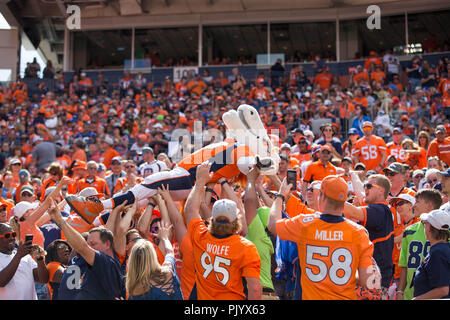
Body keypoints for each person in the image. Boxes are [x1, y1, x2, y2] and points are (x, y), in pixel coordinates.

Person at [268, 175, 381, 300]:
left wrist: (280, 196)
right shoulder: (359, 233)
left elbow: (272, 224)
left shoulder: (305, 224)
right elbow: (368, 282)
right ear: (344, 202)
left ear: (322, 197)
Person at [183, 162, 262, 300]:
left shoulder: (201, 236)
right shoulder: (245, 247)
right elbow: (255, 289)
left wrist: (200, 182)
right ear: (235, 221)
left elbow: (190, 210)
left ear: (212, 219)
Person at [47, 199, 125, 300]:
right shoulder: (76, 258)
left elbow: (109, 234)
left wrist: (60, 221)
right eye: (87, 243)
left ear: (107, 244)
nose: (89, 247)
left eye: (92, 244)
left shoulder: (106, 262)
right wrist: (115, 211)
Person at [343, 173, 394, 298]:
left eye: (369, 186)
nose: (365, 188)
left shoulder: (380, 209)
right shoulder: (378, 209)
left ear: (381, 190)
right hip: (371, 276)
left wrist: (331, 196)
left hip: (375, 279)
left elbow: (353, 212)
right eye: (365, 185)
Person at [397, 189, 443, 300]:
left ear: (429, 206)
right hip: (410, 294)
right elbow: (404, 265)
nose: (414, 205)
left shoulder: (445, 232)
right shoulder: (409, 231)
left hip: (436, 293)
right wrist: (400, 291)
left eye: (417, 202)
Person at [126, 222, 183, 300]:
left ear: (132, 262)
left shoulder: (135, 291)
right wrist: (164, 237)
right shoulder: (168, 272)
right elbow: (169, 252)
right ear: (153, 256)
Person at [0, 222, 49, 299]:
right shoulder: (20, 255)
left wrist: (39, 258)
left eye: (13, 234)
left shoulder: (24, 256)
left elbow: (43, 279)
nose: (12, 238)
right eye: (7, 236)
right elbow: (1, 282)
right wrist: (18, 256)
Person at [412, 209, 450, 299]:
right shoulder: (443, 249)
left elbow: (443, 290)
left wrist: (417, 299)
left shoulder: (438, 252)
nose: (424, 227)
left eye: (424, 223)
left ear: (429, 228)